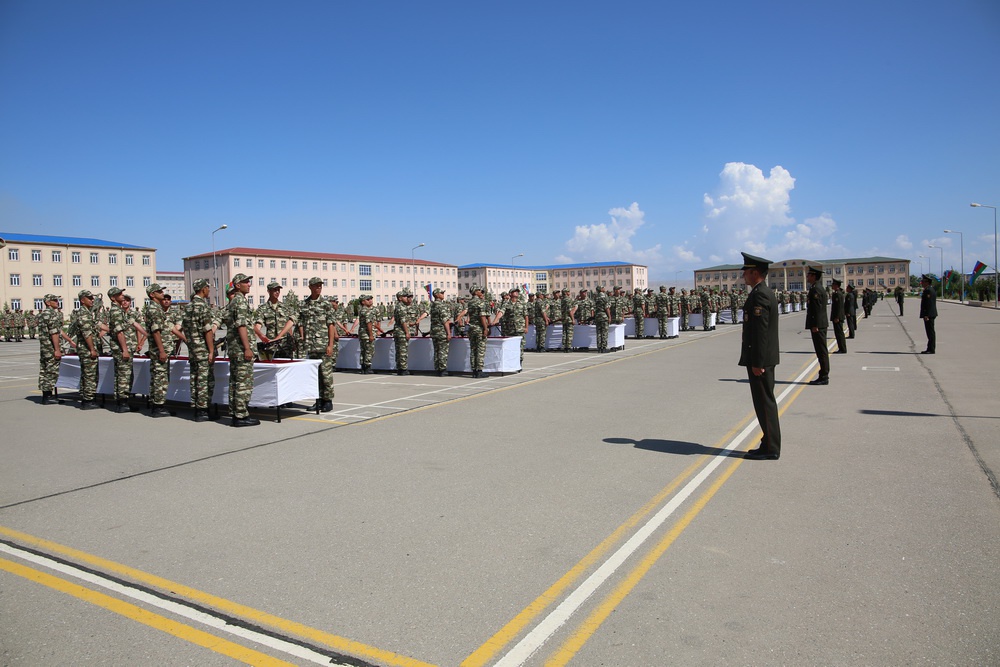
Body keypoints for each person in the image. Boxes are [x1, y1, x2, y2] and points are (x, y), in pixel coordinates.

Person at [738, 253, 781, 460]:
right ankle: (767, 442)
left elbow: (761, 332)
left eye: (746, 271)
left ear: (755, 272)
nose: (744, 275)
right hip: (762, 359)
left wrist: (758, 362)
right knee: (763, 403)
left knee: (765, 403)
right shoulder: (761, 292)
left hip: (761, 360)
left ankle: (771, 448)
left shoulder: (760, 295)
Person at [225, 273, 259, 426]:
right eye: (245, 282)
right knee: (243, 383)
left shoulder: (234, 301)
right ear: (237, 285)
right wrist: (247, 348)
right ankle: (241, 416)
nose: (249, 284)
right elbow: (241, 325)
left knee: (235, 382)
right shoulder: (239, 302)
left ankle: (235, 412)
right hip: (240, 349)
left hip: (234, 349)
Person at [182, 278, 216, 422]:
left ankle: (196, 408)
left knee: (195, 379)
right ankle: (203, 410)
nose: (209, 290)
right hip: (202, 348)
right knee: (204, 380)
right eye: (207, 288)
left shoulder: (188, 307)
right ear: (203, 289)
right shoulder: (202, 306)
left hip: (192, 348)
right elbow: (207, 330)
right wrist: (211, 350)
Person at [299, 277, 336, 411]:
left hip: (323, 344)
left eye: (320, 285)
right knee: (315, 376)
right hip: (311, 345)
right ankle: (318, 400)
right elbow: (300, 323)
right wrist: (303, 338)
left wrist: (330, 345)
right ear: (310, 287)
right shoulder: (305, 304)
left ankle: (328, 401)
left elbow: (330, 325)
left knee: (326, 375)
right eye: (316, 285)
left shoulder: (326, 304)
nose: (319, 287)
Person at [69, 290, 102, 410]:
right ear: (82, 300)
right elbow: (87, 333)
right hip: (87, 349)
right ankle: (88, 400)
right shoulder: (84, 314)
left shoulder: (87, 313)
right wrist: (92, 349)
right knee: (90, 375)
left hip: (85, 349)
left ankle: (85, 398)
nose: (92, 300)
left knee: (86, 374)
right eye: (89, 298)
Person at [142, 284, 172, 417]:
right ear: (152, 295)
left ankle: (156, 403)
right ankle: (159, 406)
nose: (162, 293)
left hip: (158, 349)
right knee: (160, 377)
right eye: (159, 291)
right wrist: (161, 350)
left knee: (157, 376)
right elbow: (156, 331)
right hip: (159, 349)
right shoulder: (154, 309)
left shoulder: (155, 308)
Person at [106, 287, 136, 412]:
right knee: (124, 375)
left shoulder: (117, 310)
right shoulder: (116, 311)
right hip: (121, 348)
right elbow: (119, 332)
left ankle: (121, 401)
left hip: (120, 347)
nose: (122, 295)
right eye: (119, 294)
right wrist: (125, 349)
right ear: (113, 298)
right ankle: (123, 403)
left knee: (120, 375)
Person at [37, 294, 70, 404]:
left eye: (57, 300)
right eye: (54, 300)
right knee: (51, 372)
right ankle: (48, 397)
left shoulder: (43, 314)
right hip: (51, 348)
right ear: (47, 302)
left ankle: (46, 394)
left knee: (45, 371)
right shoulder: (51, 314)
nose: (57, 302)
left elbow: (59, 331)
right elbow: (54, 333)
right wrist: (57, 349)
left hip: (44, 348)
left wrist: (70, 341)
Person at [254, 282, 297, 360]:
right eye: (274, 290)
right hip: (271, 346)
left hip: (285, 346)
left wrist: (292, 341)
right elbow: (258, 325)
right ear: (269, 291)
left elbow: (289, 327)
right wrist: (256, 339)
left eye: (278, 290)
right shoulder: (262, 309)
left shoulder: (285, 307)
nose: (277, 292)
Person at [805, 266, 830, 385]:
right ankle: (823, 374)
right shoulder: (817, 288)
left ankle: (824, 376)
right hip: (819, 324)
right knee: (821, 351)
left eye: (809, 275)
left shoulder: (816, 290)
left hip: (818, 325)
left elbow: (817, 309)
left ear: (814, 276)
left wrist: (815, 325)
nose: (807, 277)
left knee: (821, 351)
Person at [466, 285, 490, 378]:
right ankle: (479, 370)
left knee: (473, 349)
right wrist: (485, 328)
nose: (481, 292)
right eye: (479, 290)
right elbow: (482, 316)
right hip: (479, 328)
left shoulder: (470, 302)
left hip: (472, 328)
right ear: (475, 292)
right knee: (480, 350)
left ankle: (474, 370)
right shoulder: (480, 302)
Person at [390, 288, 415, 376]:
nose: (406, 298)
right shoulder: (401, 307)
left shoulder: (399, 306)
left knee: (399, 351)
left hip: (398, 331)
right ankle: (403, 369)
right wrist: (407, 332)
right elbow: (403, 321)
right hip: (401, 332)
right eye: (404, 296)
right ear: (400, 298)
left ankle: (400, 368)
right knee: (403, 351)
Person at [429, 288, 452, 376]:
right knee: (442, 351)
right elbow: (445, 320)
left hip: (434, 331)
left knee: (437, 351)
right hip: (441, 331)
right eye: (441, 293)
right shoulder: (441, 306)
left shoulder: (433, 305)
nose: (443, 294)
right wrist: (448, 333)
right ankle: (443, 369)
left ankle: (438, 368)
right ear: (437, 295)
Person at [357, 294, 380, 374]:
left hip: (362, 333)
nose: (370, 300)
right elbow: (369, 323)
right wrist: (371, 335)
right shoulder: (366, 310)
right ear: (363, 302)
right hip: (367, 334)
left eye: (370, 299)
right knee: (369, 351)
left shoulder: (361, 310)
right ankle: (367, 367)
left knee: (363, 351)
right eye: (368, 299)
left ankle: (363, 367)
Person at [919, 274, 937, 354]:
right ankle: (930, 348)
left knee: (930, 332)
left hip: (929, 315)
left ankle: (931, 349)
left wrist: (927, 315)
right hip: (929, 314)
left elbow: (929, 304)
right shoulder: (929, 289)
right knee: (929, 332)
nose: (922, 283)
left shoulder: (929, 290)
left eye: (923, 281)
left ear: (927, 282)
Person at [830, 279, 847, 354]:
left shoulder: (838, 294)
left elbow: (839, 307)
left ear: (836, 285)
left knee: (839, 333)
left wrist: (837, 317)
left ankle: (842, 349)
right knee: (838, 333)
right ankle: (841, 348)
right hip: (837, 317)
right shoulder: (837, 293)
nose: (832, 286)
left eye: (833, 284)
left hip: (838, 317)